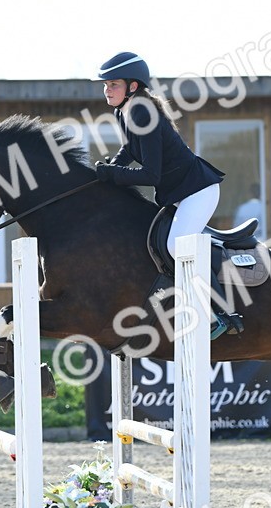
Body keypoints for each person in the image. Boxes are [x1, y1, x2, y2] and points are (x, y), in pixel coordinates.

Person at [91, 51, 240, 339]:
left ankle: (219, 313)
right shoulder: (125, 111)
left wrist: (112, 175)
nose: (107, 90)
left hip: (198, 191)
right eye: (105, 85)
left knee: (176, 246)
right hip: (180, 193)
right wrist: (110, 170)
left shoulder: (143, 112)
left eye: (113, 84)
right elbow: (131, 151)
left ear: (133, 87)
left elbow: (150, 175)